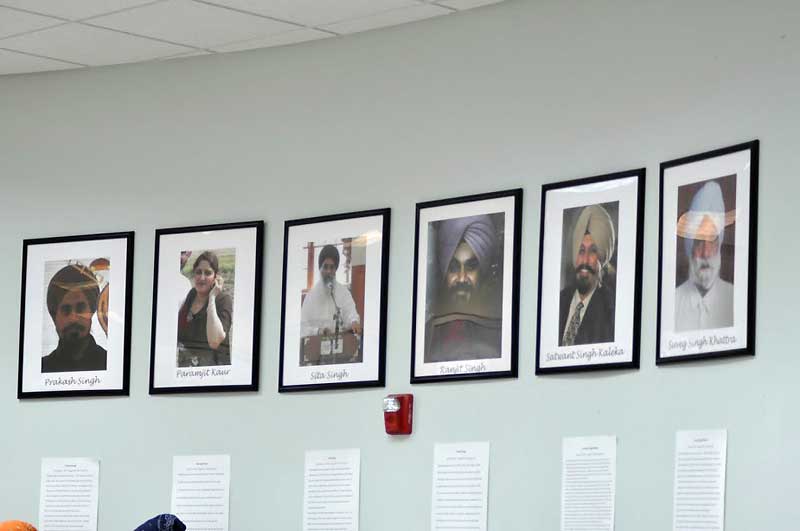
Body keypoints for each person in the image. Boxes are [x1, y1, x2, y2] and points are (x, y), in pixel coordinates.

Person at [424, 214, 502, 362]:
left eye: (470, 267)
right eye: (453, 268)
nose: (461, 278)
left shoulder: (500, 331)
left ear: (483, 271)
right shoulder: (427, 333)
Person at [674, 180, 735, 331]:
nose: (706, 253)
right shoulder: (672, 303)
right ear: (689, 247)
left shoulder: (735, 298)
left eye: (712, 240)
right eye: (699, 242)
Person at [558, 204, 616, 346]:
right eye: (581, 250)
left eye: (593, 251)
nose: (584, 260)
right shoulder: (559, 301)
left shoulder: (611, 309)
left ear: (602, 257)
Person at [41, 263, 107, 373]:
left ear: (91, 310)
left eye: (80, 309)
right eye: (66, 310)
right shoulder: (43, 368)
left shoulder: (109, 365)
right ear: (54, 316)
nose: (73, 319)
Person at [177, 251, 233, 367]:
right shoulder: (192, 294)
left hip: (213, 372)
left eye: (207, 273)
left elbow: (214, 341)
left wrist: (212, 298)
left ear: (215, 277)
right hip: (186, 371)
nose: (202, 278)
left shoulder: (223, 300)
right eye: (198, 272)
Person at [300, 244, 361, 338]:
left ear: (335, 270)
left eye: (332, 267)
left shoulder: (343, 293)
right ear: (320, 269)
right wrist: (319, 331)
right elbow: (303, 328)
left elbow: (351, 313)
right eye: (325, 267)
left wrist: (354, 322)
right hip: (315, 350)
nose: (328, 271)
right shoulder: (310, 296)